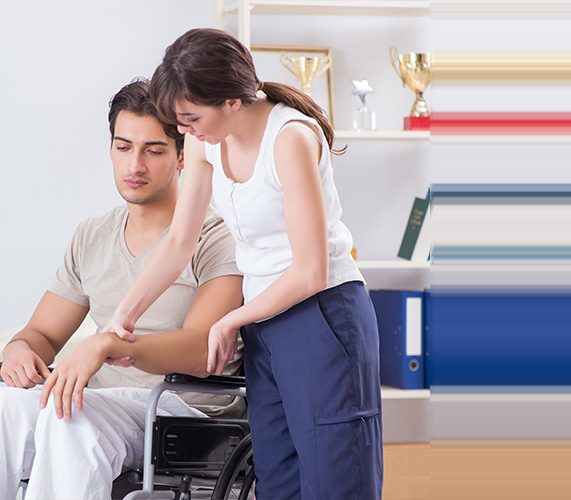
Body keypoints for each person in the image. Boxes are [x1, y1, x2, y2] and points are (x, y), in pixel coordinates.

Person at [99, 28, 382, 500]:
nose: (184, 132)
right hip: (264, 322)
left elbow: (310, 271)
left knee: (335, 479)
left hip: (323, 316)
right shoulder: (208, 138)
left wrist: (232, 318)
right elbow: (179, 241)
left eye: (190, 119)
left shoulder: (290, 138)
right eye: (179, 121)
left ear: (232, 100)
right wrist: (121, 319)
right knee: (277, 477)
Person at [0, 80, 245, 500]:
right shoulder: (93, 235)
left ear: (183, 155)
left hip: (182, 409)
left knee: (68, 418)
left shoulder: (216, 237)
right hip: (102, 403)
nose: (135, 165)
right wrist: (19, 350)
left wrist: (105, 345)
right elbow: (42, 334)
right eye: (123, 147)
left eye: (153, 150)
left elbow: (204, 351)